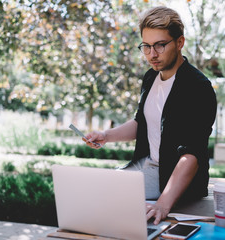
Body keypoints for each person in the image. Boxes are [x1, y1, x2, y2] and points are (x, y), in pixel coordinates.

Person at [84, 6, 217, 225]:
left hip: (173, 178)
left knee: (105, 200)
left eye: (160, 45)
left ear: (180, 42)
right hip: (147, 167)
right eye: (146, 47)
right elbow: (141, 123)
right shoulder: (150, 77)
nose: (152, 55)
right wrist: (105, 135)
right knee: (96, 190)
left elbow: (192, 155)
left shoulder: (198, 88)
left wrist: (163, 203)